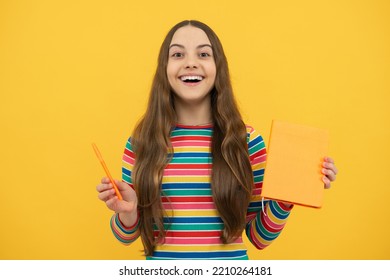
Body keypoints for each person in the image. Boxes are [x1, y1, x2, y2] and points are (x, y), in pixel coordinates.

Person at [96, 20, 338, 260]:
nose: (191, 63)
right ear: (164, 68)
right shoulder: (141, 142)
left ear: (217, 67)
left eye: (203, 54)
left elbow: (259, 237)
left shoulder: (247, 141)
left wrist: (287, 198)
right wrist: (127, 213)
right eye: (178, 54)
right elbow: (126, 235)